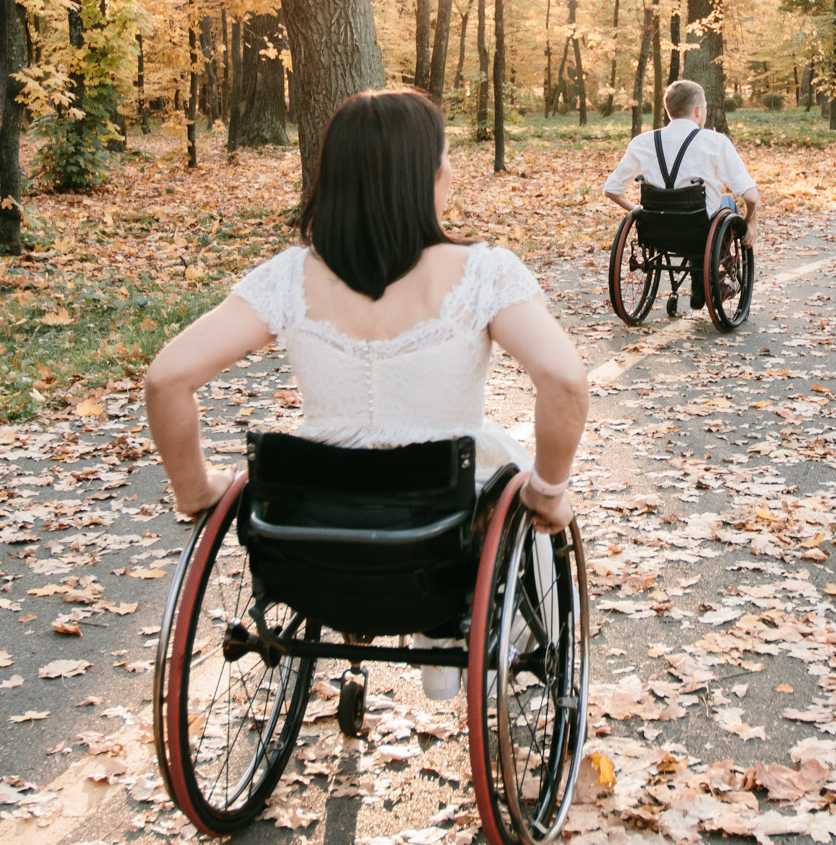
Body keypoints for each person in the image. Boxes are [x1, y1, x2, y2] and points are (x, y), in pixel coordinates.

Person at [142, 88, 589, 699]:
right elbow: (564, 381)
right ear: (423, 177)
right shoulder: (485, 273)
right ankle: (455, 638)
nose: (450, 173)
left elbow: (166, 379)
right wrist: (548, 491)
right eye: (444, 160)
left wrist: (195, 492)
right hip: (444, 523)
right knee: (517, 489)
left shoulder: (287, 278)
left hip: (316, 530)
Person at [604, 80, 759, 305]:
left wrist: (639, 212)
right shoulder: (714, 141)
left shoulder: (642, 142)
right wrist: (750, 221)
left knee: (697, 213)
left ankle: (701, 283)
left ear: (670, 110)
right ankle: (713, 280)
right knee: (725, 203)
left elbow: (611, 190)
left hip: (655, 230)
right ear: (698, 110)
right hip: (701, 231)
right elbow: (751, 197)